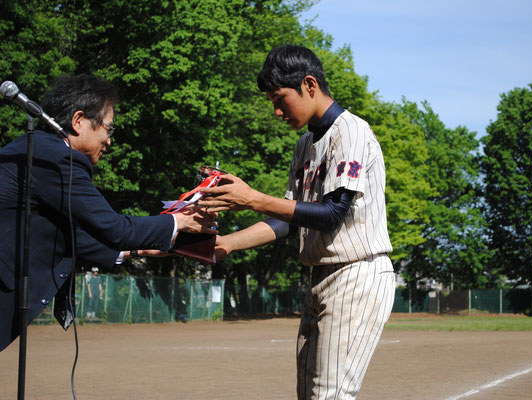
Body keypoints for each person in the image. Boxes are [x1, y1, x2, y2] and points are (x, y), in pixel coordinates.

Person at [199, 45, 395, 399]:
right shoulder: (305, 145)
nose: (276, 111)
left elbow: (333, 213)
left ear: (309, 85)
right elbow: (290, 219)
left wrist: (253, 199)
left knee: (329, 395)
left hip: (357, 274)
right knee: (309, 394)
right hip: (321, 277)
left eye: (280, 99)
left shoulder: (351, 130)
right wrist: (227, 243)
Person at [0, 74, 216, 351]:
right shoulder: (55, 158)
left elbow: (69, 236)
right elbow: (115, 228)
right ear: (78, 121)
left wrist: (138, 251)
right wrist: (180, 220)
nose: (109, 141)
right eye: (108, 129)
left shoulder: (36, 150)